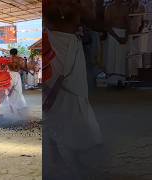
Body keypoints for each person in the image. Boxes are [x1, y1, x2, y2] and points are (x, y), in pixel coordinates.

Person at [44, 0, 104, 179]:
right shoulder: (65, 8)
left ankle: (62, 157)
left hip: (62, 52)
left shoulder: (56, 20)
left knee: (58, 119)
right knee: (69, 118)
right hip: (64, 75)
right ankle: (69, 158)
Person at [104, 0, 130, 77]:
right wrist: (117, 37)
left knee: (121, 57)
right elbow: (107, 25)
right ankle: (111, 76)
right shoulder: (109, 7)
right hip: (113, 34)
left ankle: (121, 76)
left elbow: (128, 24)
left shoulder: (125, 8)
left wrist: (126, 36)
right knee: (112, 55)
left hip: (122, 33)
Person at [7, 48, 27, 113]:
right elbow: (23, 67)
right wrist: (26, 70)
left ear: (10, 53)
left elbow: (4, 67)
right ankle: (19, 108)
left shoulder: (8, 59)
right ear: (16, 53)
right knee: (18, 91)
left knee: (9, 92)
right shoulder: (20, 59)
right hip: (16, 74)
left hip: (9, 74)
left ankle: (11, 109)